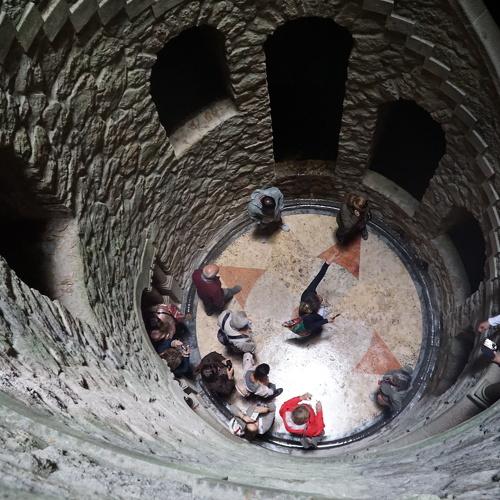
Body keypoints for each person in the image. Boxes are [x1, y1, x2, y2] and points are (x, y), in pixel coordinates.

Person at [283, 262, 338, 337]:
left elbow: (318, 277)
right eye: (319, 300)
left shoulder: (307, 293)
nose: (320, 298)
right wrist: (327, 320)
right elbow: (316, 324)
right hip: (306, 325)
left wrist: (326, 264)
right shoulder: (308, 322)